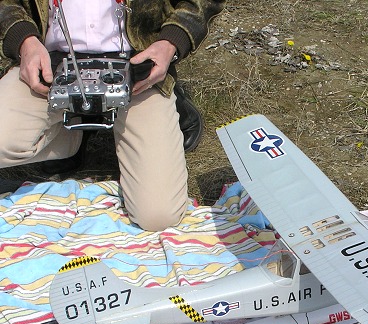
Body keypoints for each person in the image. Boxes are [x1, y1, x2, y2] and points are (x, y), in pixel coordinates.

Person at [0, 0, 225, 231]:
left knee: (158, 215)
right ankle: (74, 133)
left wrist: (171, 42)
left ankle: (174, 105)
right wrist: (23, 39)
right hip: (49, 63)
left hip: (138, 68)